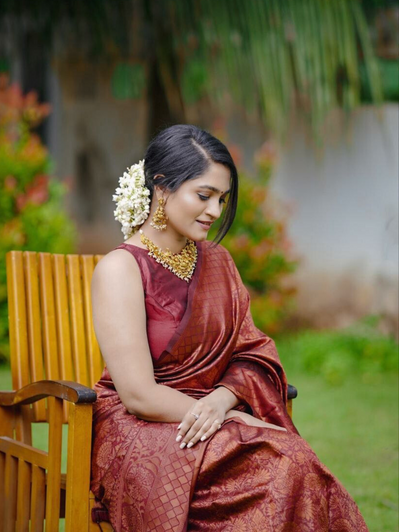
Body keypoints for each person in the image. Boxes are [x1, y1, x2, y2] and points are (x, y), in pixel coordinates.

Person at [90, 124, 368, 531]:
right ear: (162, 188)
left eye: (221, 199)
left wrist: (223, 404)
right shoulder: (120, 269)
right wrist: (232, 420)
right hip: (144, 428)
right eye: (203, 196)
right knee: (278, 468)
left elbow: (252, 351)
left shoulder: (218, 262)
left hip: (215, 415)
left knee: (295, 465)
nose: (215, 212)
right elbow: (137, 394)